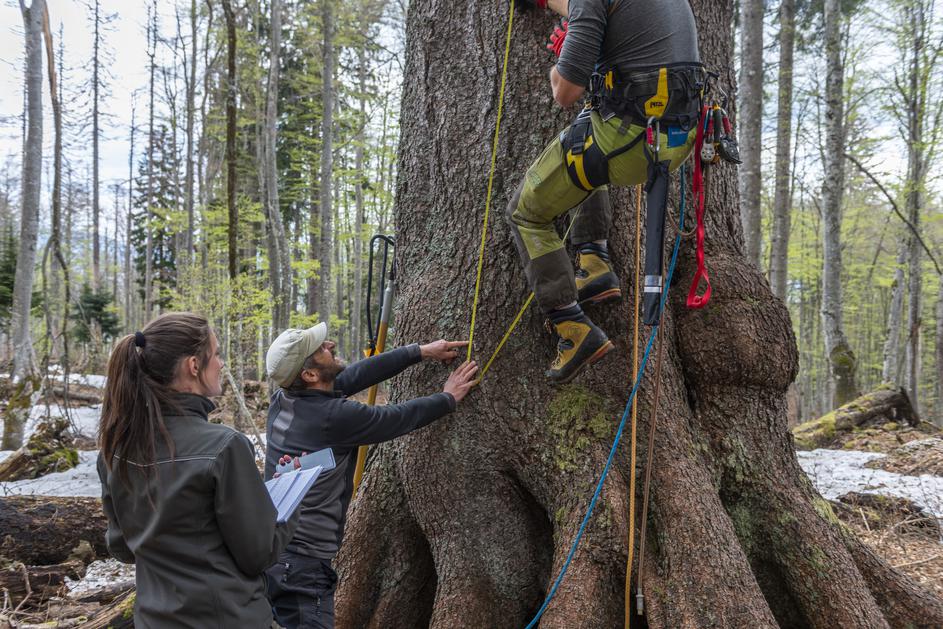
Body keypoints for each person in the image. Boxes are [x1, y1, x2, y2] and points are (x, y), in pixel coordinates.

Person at [507, 0, 704, 383]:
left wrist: (565, 60)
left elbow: (565, 91)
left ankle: (571, 326)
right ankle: (594, 263)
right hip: (678, 135)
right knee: (582, 142)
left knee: (525, 213)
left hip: (633, 141)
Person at [262, 322, 478, 629]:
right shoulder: (334, 417)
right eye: (321, 348)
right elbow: (396, 418)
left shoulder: (285, 400)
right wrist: (448, 397)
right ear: (309, 375)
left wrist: (419, 352)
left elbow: (354, 376)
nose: (331, 345)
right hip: (302, 563)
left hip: (275, 552)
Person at [97, 312, 299, 628]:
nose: (221, 363)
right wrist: (292, 499)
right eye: (216, 354)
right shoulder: (224, 446)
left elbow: (122, 547)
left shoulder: (114, 449)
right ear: (194, 365)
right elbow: (258, 555)